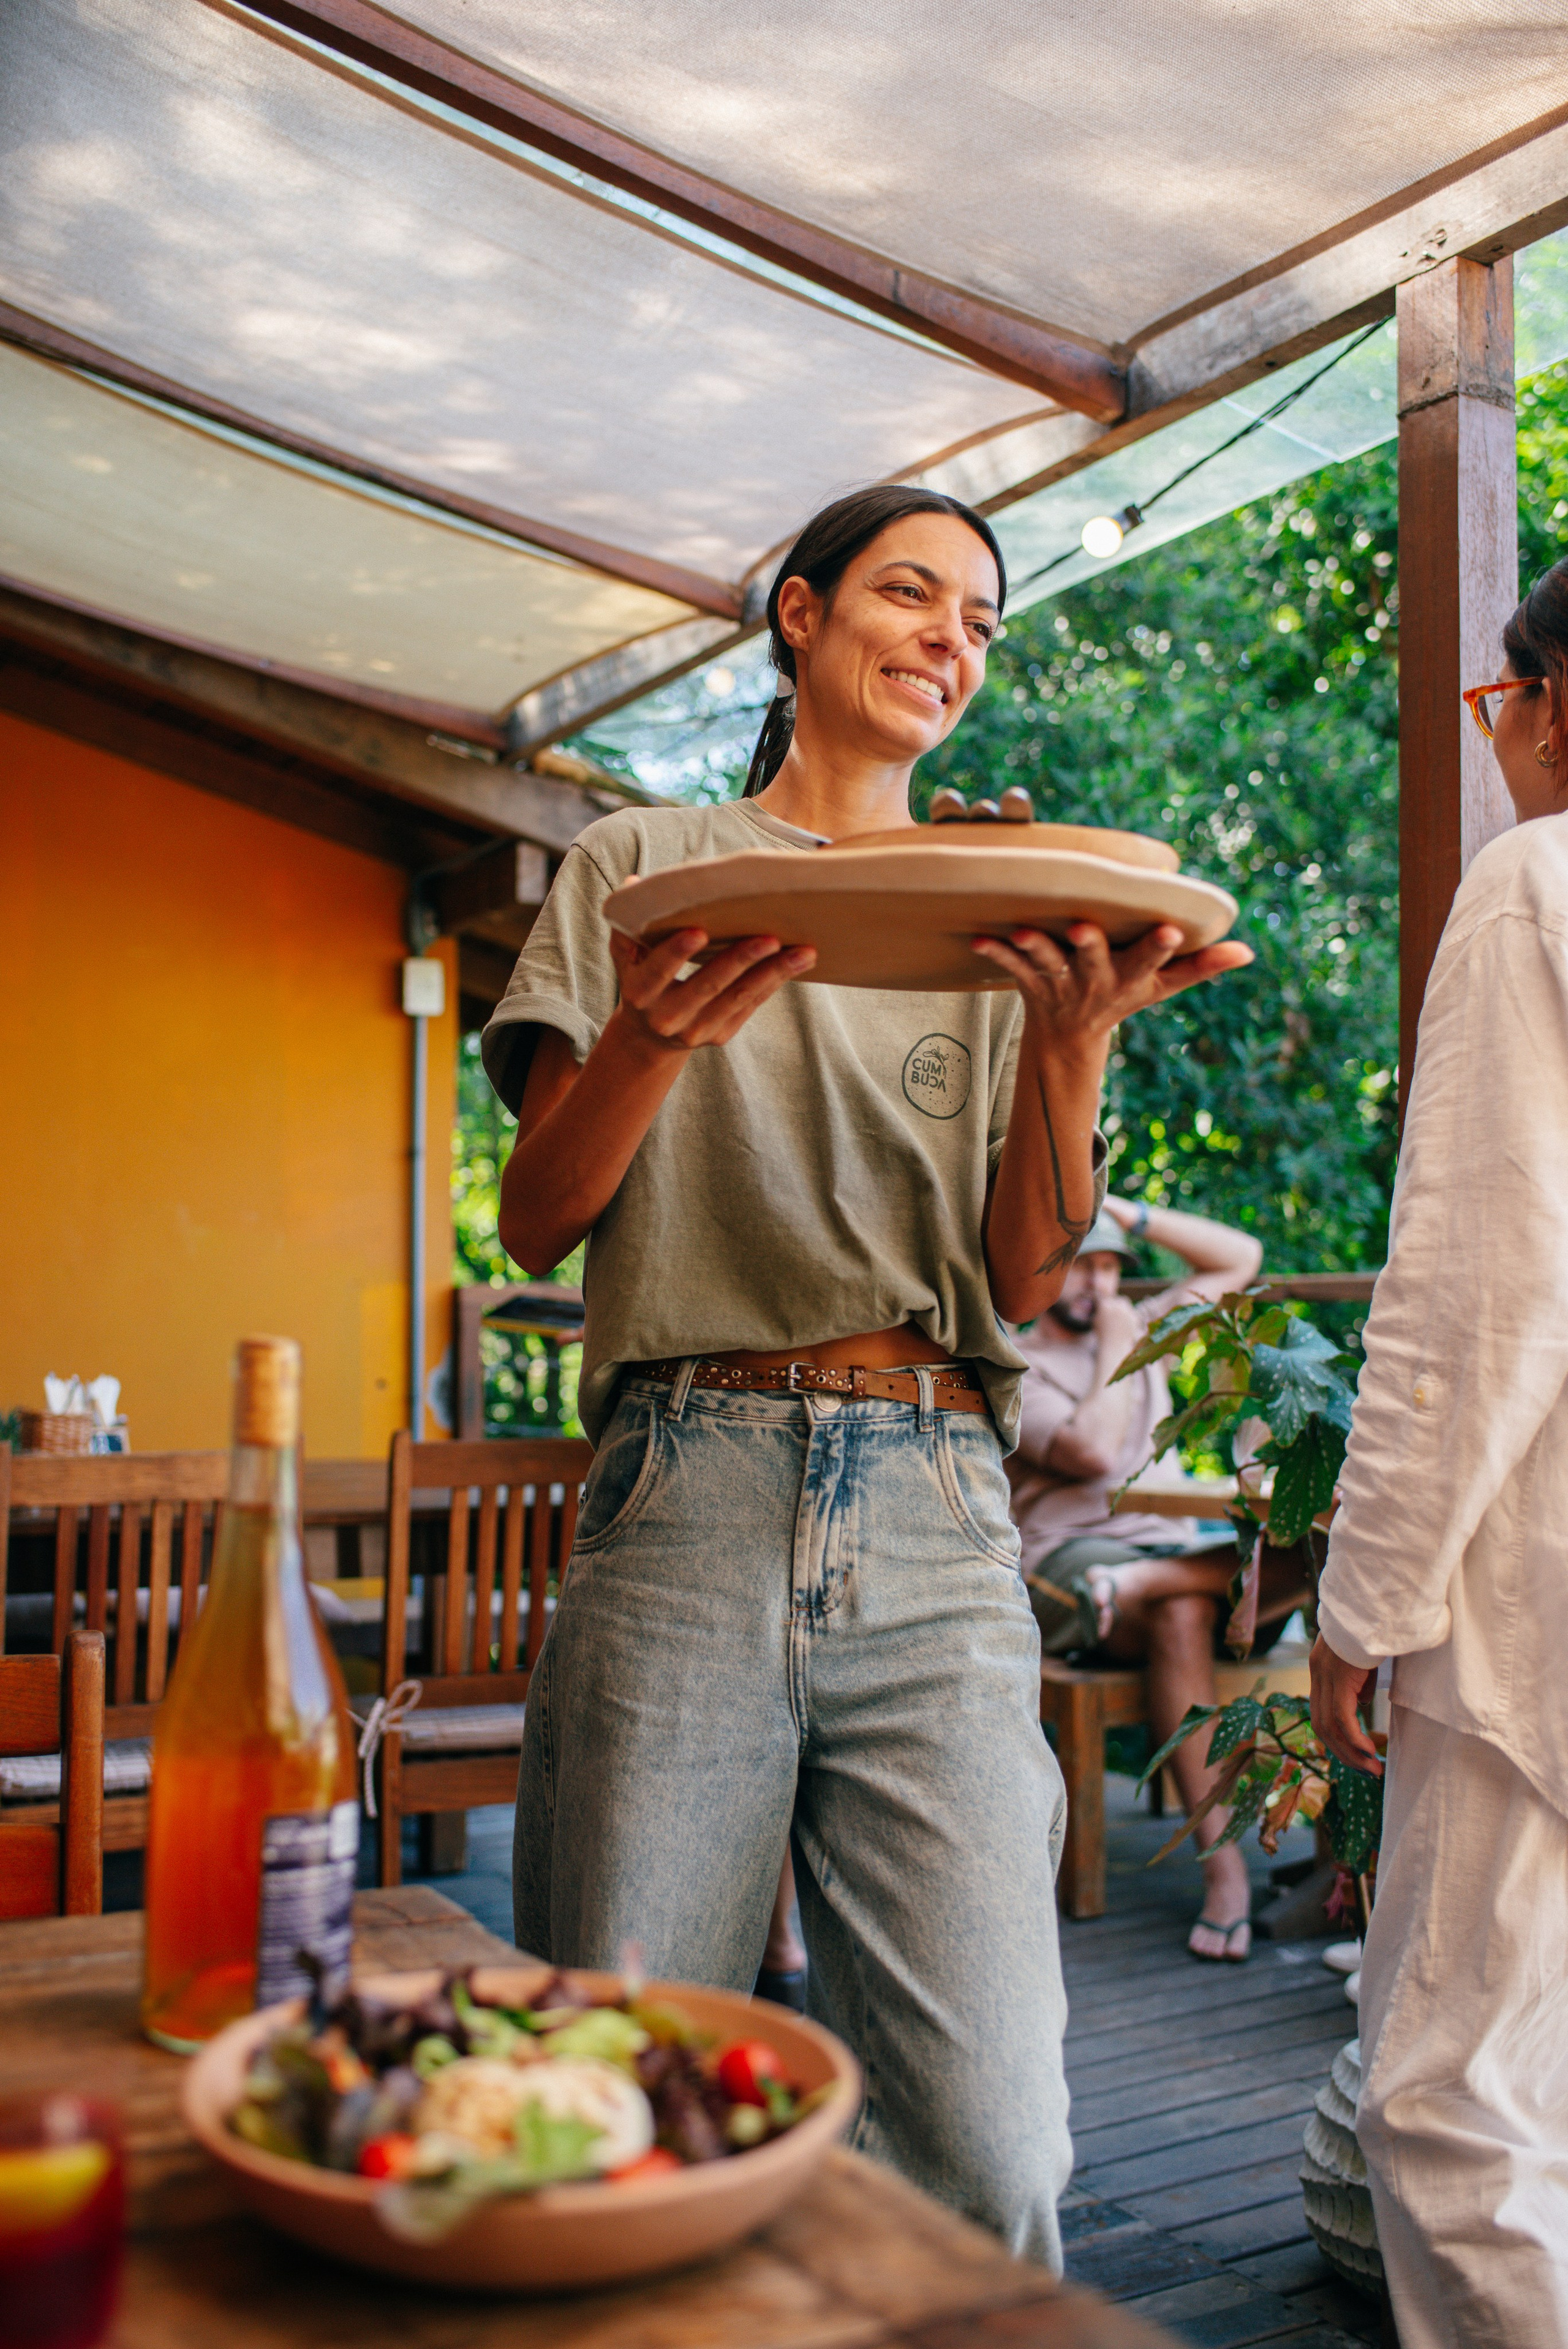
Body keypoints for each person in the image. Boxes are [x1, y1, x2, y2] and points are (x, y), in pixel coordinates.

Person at [482, 483, 1250, 2265]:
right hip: (690, 1485)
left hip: (936, 1508)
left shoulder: (1013, 914)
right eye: (910, 596)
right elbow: (534, 1219)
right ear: (801, 618)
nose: (949, 642)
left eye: (980, 622)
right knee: (610, 2096)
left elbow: (1028, 1273)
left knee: (991, 2153)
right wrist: (656, 1037)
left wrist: (1065, 1051)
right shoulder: (639, 869)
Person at [1311, 562, 1568, 2347]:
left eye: (1495, 710)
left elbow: (1476, 1289)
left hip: (1533, 1589)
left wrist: (1358, 1599)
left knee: (1448, 2094)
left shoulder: (1532, 884)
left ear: (1548, 700)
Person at [1007, 1196, 1313, 1963]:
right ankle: (1226, 1877)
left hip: (1163, 1556)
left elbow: (1238, 1256)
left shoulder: (1140, 1330)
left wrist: (1120, 1210)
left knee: (1322, 1546)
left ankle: (1151, 1585)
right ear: (1043, 1268)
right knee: (1185, 1609)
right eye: (1082, 1261)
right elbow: (1091, 1454)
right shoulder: (1016, 1362)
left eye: (1111, 1266)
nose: (1100, 1283)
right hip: (1067, 1564)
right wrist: (1119, 1341)